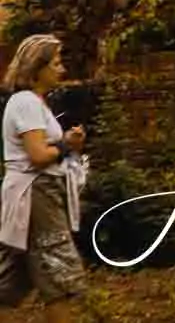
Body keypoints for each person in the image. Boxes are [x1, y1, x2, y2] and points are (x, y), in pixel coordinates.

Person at [0, 34, 85, 302]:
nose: (62, 69)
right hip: (37, 191)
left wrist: (69, 146)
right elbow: (37, 155)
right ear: (38, 67)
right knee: (58, 273)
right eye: (56, 63)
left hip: (38, 191)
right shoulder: (26, 102)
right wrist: (66, 144)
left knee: (12, 276)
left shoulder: (36, 103)